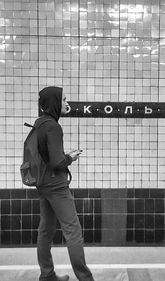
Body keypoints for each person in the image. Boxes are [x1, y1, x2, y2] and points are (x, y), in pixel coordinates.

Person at [35, 86, 94, 281]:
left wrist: (63, 157)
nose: (67, 103)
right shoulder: (53, 126)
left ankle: (47, 275)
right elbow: (56, 162)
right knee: (73, 231)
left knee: (46, 230)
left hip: (43, 183)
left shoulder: (40, 123)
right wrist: (70, 157)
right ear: (54, 102)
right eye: (63, 100)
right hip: (56, 186)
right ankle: (85, 278)